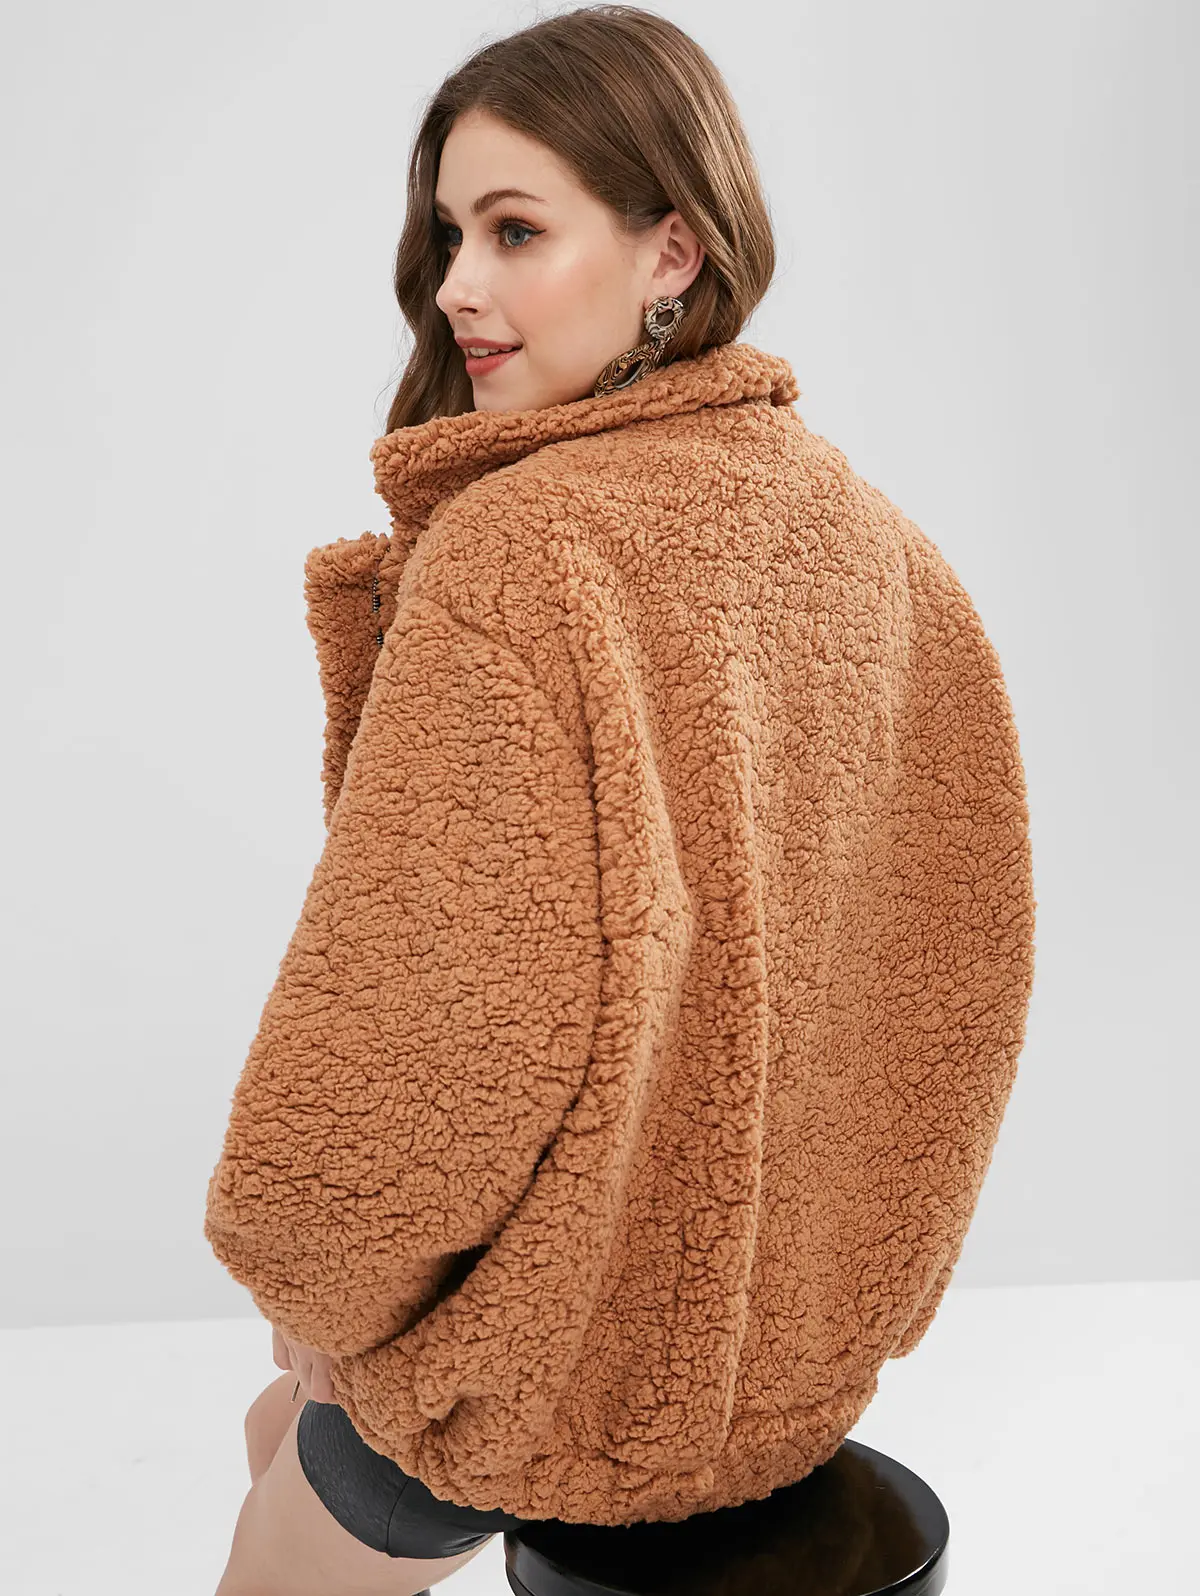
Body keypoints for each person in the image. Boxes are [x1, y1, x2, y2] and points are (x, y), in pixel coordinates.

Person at [205, 7, 1036, 1595]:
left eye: (517, 231)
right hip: (790, 1369)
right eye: (451, 233)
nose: (458, 285)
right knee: (278, 1434)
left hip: (549, 1367)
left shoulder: (521, 559)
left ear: (673, 250)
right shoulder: (879, 546)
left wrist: (321, 1288)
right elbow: (954, 972)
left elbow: (438, 1027)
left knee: (311, 1453)